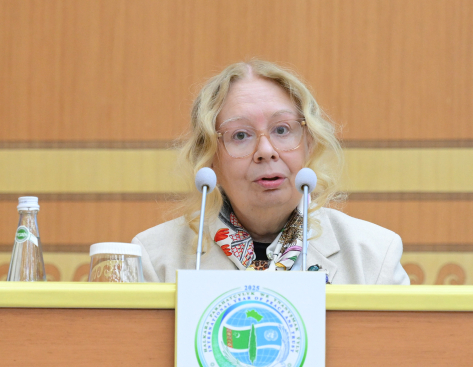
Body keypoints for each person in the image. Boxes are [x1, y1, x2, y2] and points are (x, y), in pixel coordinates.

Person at [132, 59, 409, 285]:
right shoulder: (155, 261)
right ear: (210, 157)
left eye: (282, 129)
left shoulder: (375, 257)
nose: (266, 150)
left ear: (309, 144)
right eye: (240, 135)